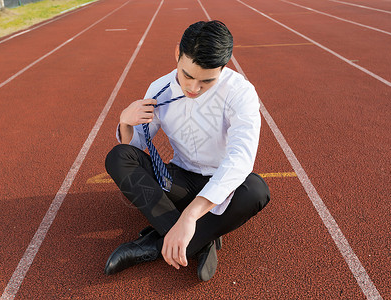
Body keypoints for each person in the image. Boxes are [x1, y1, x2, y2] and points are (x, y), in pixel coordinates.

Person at [104, 20, 270, 281]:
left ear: (223, 68)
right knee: (118, 157)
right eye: (187, 75)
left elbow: (241, 159)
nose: (193, 88)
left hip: (223, 189)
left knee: (256, 190)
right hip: (178, 181)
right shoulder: (158, 89)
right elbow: (133, 148)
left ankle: (151, 246)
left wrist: (190, 217)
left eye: (206, 81)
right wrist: (125, 120)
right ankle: (202, 240)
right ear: (177, 55)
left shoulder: (241, 93)